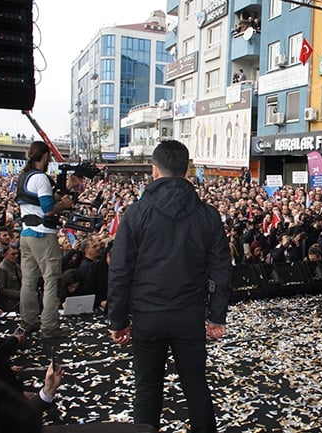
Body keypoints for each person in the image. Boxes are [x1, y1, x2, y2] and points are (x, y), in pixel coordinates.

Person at [108, 140, 231, 432]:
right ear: (187, 170)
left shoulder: (136, 213)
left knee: (147, 390)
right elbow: (221, 269)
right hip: (189, 315)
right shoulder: (208, 215)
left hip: (148, 316)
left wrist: (118, 320)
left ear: (154, 170)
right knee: (196, 386)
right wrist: (216, 316)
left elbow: (120, 270)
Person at [16, 141, 74, 338]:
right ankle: (49, 326)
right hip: (42, 235)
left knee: (29, 281)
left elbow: (37, 202)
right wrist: (64, 203)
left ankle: (28, 320)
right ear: (44, 156)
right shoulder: (40, 177)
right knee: (51, 280)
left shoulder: (24, 176)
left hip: (26, 234)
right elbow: (48, 209)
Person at [0, 244, 22, 312]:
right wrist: (19, 294)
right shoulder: (2, 269)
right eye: (12, 254)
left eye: (17, 253)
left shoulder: (17, 266)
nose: (16, 256)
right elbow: (1, 289)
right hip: (10, 303)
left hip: (19, 300)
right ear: (5, 254)